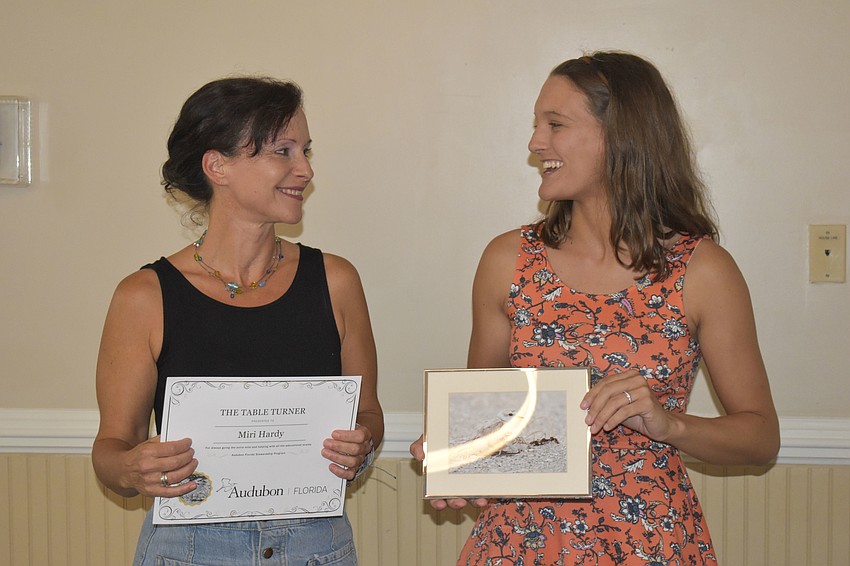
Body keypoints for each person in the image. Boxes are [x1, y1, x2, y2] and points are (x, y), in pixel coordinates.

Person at [411, 51, 779, 565]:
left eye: (555, 124)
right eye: (537, 124)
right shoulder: (507, 260)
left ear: (621, 134)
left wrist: (668, 424)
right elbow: (488, 418)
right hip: (521, 544)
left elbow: (760, 437)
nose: (535, 143)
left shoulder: (703, 271)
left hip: (649, 543)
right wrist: (457, 454)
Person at [92, 77, 383, 565]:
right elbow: (111, 449)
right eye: (283, 151)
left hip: (316, 548)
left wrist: (362, 444)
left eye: (306, 150)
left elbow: (369, 414)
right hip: (190, 550)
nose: (305, 169)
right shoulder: (144, 296)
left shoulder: (336, 281)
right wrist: (130, 467)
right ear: (217, 165)